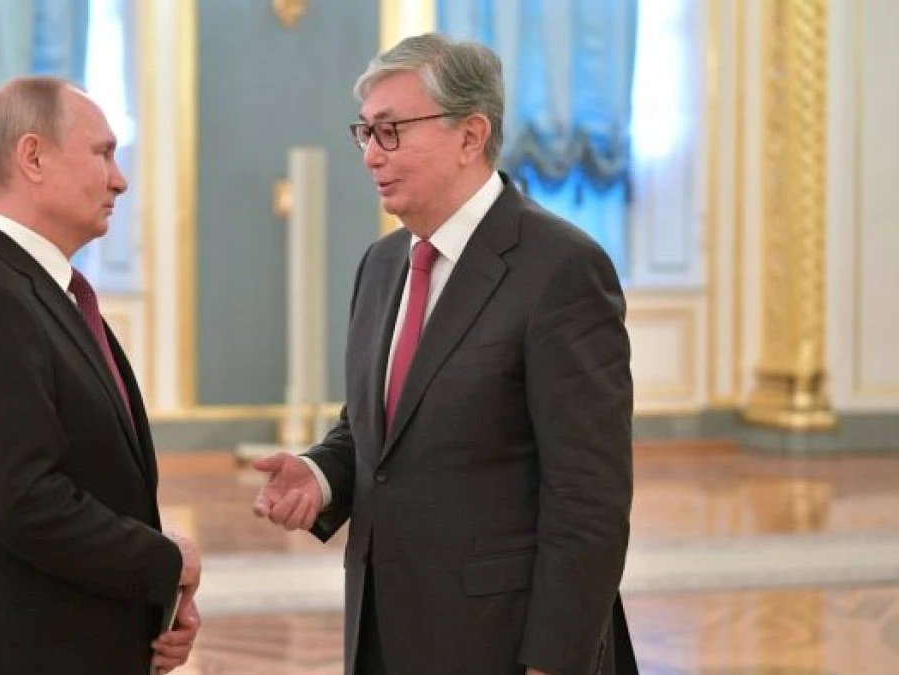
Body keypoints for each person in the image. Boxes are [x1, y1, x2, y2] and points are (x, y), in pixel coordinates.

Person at [252, 34, 638, 675]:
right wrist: (320, 476)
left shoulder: (561, 269)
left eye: (391, 131)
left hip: (501, 640)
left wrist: (554, 659)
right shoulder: (382, 265)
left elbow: (589, 496)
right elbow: (380, 430)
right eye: (365, 133)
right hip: (383, 631)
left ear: (470, 135)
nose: (371, 154)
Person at [0, 76, 200, 675]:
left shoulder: (41, 292)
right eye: (102, 153)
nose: (119, 179)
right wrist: (164, 564)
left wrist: (157, 607)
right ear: (33, 157)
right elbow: (24, 502)